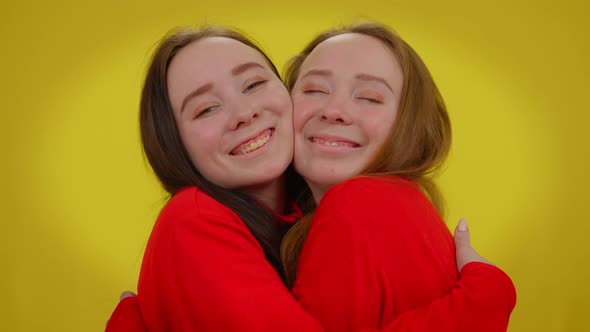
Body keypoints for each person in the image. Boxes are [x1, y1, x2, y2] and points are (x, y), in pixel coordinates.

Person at [105, 24, 515, 332]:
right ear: (174, 142)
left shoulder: (356, 206)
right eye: (206, 109)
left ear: (408, 122)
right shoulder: (195, 220)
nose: (244, 113)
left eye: (253, 83)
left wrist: (485, 299)